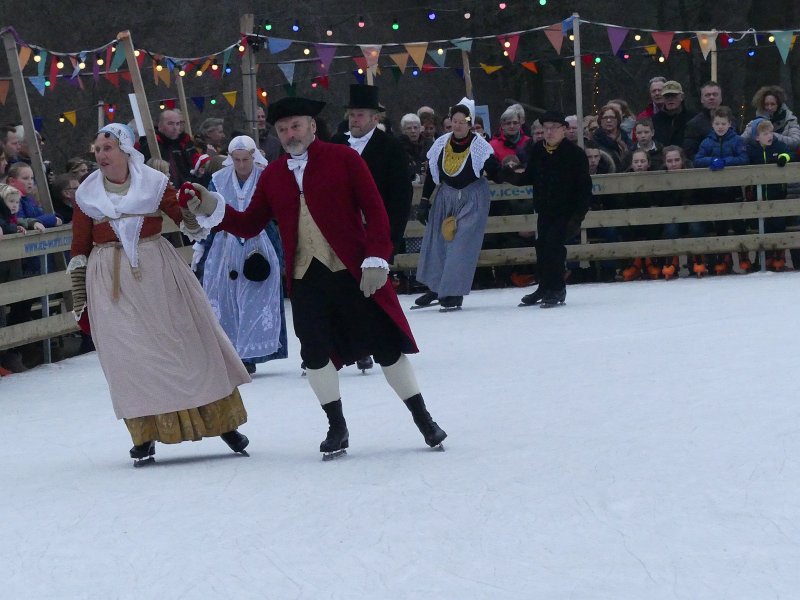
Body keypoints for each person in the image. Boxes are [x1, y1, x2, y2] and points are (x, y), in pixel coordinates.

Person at [185, 96, 447, 458]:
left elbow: (376, 210)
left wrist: (375, 258)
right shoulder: (273, 174)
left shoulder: (345, 159)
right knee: (316, 355)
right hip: (306, 279)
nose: (289, 134)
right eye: (282, 129)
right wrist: (213, 207)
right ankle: (336, 426)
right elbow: (248, 224)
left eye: (295, 126)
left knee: (387, 347)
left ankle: (423, 418)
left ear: (311, 126)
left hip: (354, 272)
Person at [68, 123, 251, 465]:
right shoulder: (86, 194)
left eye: (107, 148)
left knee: (187, 345)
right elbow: (79, 249)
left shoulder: (154, 183)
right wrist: (80, 299)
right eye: (97, 150)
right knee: (130, 359)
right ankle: (145, 435)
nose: (101, 155)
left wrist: (193, 205)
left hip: (158, 274)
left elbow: (189, 226)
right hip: (111, 283)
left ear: (125, 150)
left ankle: (223, 424)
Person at [331, 84, 414, 374]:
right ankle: (346, 345)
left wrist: (390, 239)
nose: (354, 120)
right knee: (343, 290)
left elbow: (401, 197)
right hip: (342, 231)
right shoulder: (336, 144)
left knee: (372, 291)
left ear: (375, 119)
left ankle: (379, 342)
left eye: (361, 115)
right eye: (352, 114)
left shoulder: (390, 148)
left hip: (374, 232)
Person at [201, 135, 286, 375]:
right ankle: (231, 352)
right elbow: (210, 212)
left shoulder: (266, 176)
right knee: (226, 297)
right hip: (226, 243)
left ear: (253, 156)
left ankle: (252, 352)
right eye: (236, 160)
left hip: (261, 241)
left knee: (257, 296)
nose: (241, 165)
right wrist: (202, 244)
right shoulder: (218, 180)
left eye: (245, 159)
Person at [414, 98, 502, 310]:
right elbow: (432, 175)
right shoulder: (441, 143)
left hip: (472, 198)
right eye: (455, 121)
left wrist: (500, 169)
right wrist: (425, 201)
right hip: (446, 196)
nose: (458, 125)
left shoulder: (480, 146)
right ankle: (436, 287)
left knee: (460, 245)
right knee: (439, 242)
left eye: (462, 121)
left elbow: (494, 170)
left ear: (470, 124)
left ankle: (452, 292)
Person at [504, 111, 592, 307]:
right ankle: (544, 286)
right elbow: (528, 177)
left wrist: (578, 216)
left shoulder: (574, 154)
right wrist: (505, 174)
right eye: (546, 128)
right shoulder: (538, 151)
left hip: (566, 211)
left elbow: (584, 187)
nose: (550, 132)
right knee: (542, 246)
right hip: (544, 209)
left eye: (554, 128)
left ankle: (557, 288)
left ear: (564, 130)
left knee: (554, 247)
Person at [693, 106, 748, 274]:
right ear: (712, 124)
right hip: (716, 191)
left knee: (739, 224)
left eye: (723, 123)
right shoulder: (707, 142)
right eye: (717, 123)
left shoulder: (737, 140)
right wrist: (713, 160)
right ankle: (724, 259)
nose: (720, 127)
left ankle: (744, 257)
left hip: (734, 189)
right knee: (721, 225)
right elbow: (698, 159)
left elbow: (743, 158)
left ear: (729, 124)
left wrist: (725, 161)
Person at [746, 119, 792, 271]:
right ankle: (761, 259)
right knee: (761, 228)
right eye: (765, 133)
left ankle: (778, 256)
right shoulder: (752, 149)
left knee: (778, 225)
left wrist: (783, 158)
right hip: (757, 197)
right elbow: (745, 162)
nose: (769, 136)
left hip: (776, 194)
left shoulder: (779, 145)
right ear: (757, 137)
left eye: (770, 132)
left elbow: (789, 153)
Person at [136, 109, 198, 185]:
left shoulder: (183, 142)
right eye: (170, 124)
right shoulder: (151, 144)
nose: (175, 128)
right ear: (160, 125)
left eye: (177, 124)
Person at [741, 85, 800, 151]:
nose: (769, 107)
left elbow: (796, 142)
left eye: (773, 104)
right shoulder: (756, 123)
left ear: (779, 105)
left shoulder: (789, 119)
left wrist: (772, 135)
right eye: (766, 104)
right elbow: (742, 141)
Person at [683, 81, 727, 160]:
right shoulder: (694, 124)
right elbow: (689, 154)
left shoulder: (731, 121)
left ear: (721, 98)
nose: (711, 97)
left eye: (715, 94)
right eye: (707, 95)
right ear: (702, 99)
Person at [652, 81, 697, 148]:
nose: (670, 99)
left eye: (674, 95)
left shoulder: (694, 119)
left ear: (682, 97)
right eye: (667, 96)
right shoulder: (655, 121)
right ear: (663, 98)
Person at [593, 104, 633, 170]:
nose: (609, 120)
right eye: (605, 118)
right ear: (600, 121)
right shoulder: (596, 140)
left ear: (617, 120)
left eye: (612, 117)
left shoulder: (625, 138)